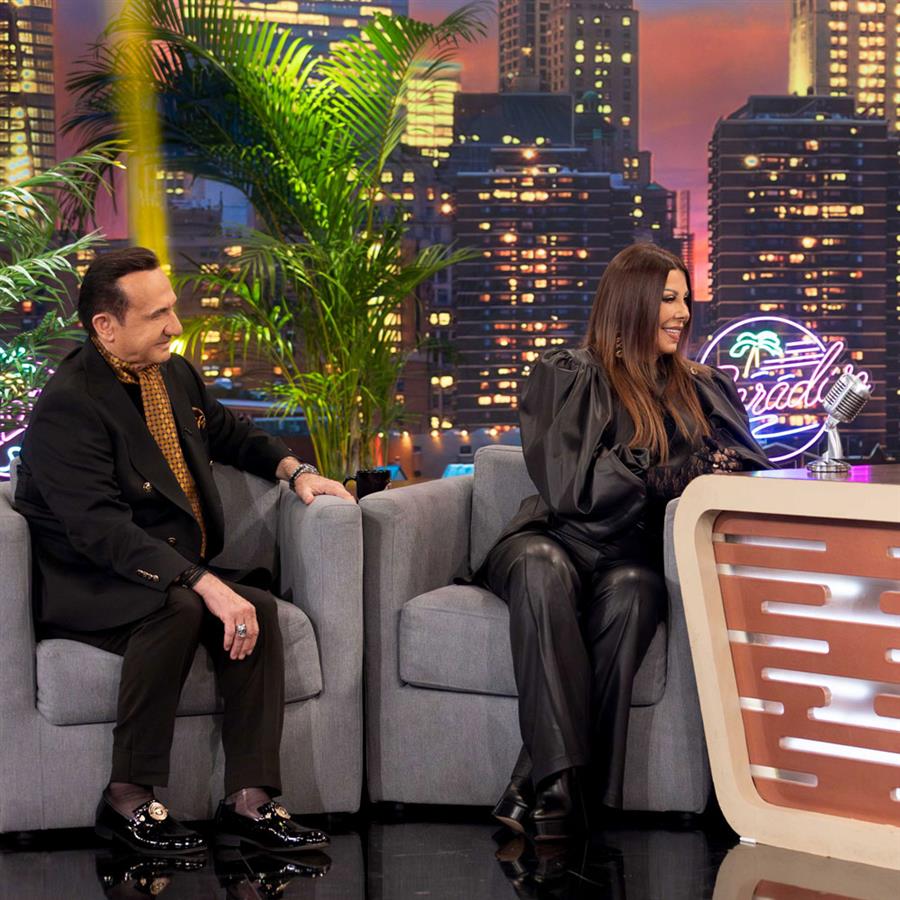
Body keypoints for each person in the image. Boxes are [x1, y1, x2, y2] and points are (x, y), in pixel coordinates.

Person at [14, 247, 354, 854]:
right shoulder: (71, 403)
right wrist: (201, 581)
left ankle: (249, 800)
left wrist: (296, 470)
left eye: (172, 309)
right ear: (105, 326)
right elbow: (99, 529)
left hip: (164, 563)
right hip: (88, 577)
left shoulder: (173, 373)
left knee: (255, 607)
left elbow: (230, 434)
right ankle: (126, 798)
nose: (175, 325)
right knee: (181, 607)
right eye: (157, 316)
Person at [482, 243, 771, 841]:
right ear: (632, 302)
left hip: (628, 556)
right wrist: (671, 465)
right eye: (667, 299)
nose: (682, 313)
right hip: (555, 538)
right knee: (540, 566)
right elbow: (571, 490)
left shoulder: (703, 387)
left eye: (685, 299)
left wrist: (681, 467)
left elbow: (740, 463)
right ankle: (562, 792)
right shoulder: (569, 373)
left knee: (638, 592)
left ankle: (537, 781)